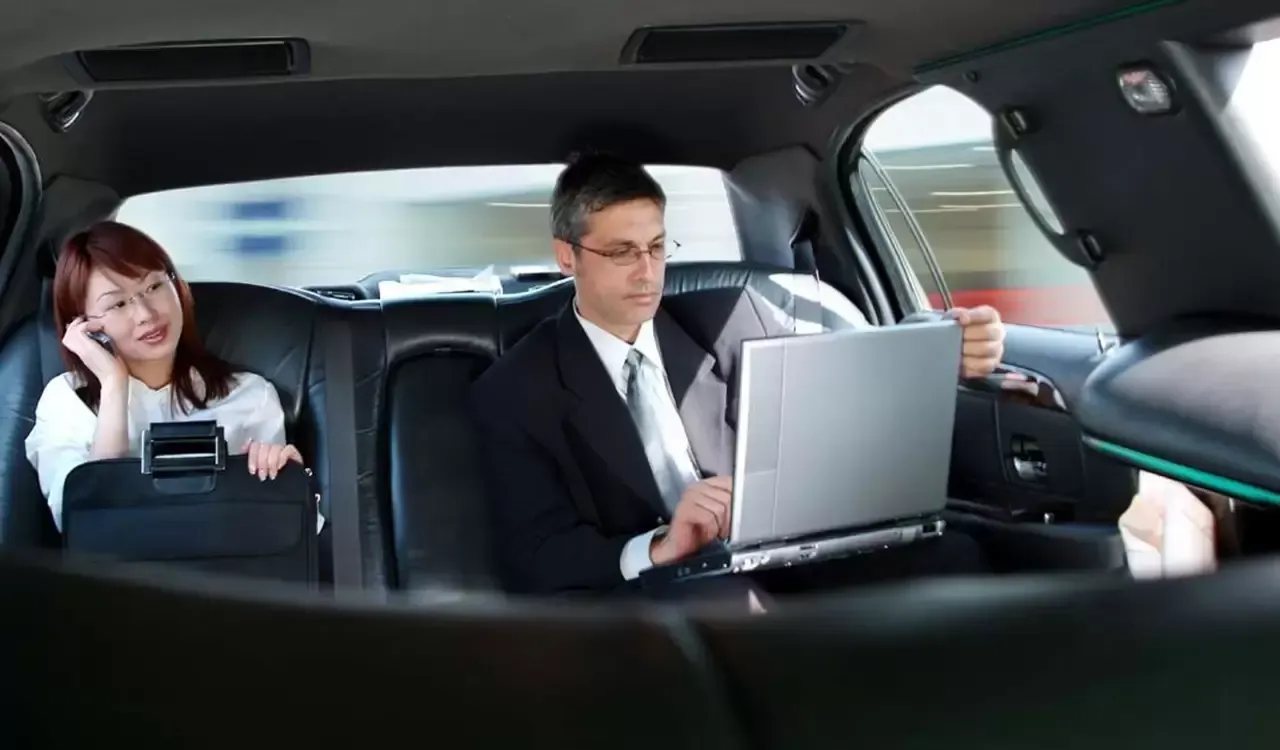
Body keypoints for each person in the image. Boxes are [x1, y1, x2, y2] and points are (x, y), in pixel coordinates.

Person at [468, 153, 1007, 600]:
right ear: (568, 257)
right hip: (651, 595)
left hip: (784, 561)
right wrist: (662, 544)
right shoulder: (514, 392)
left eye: (657, 247)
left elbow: (838, 390)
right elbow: (537, 555)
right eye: (621, 252)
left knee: (955, 554)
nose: (647, 272)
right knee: (729, 603)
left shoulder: (735, 318)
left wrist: (934, 341)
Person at [25, 220, 305, 532]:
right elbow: (83, 520)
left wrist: (286, 483)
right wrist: (114, 386)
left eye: (154, 286)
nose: (146, 314)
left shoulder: (250, 395)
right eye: (117, 304)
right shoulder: (67, 402)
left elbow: (275, 534)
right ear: (83, 325)